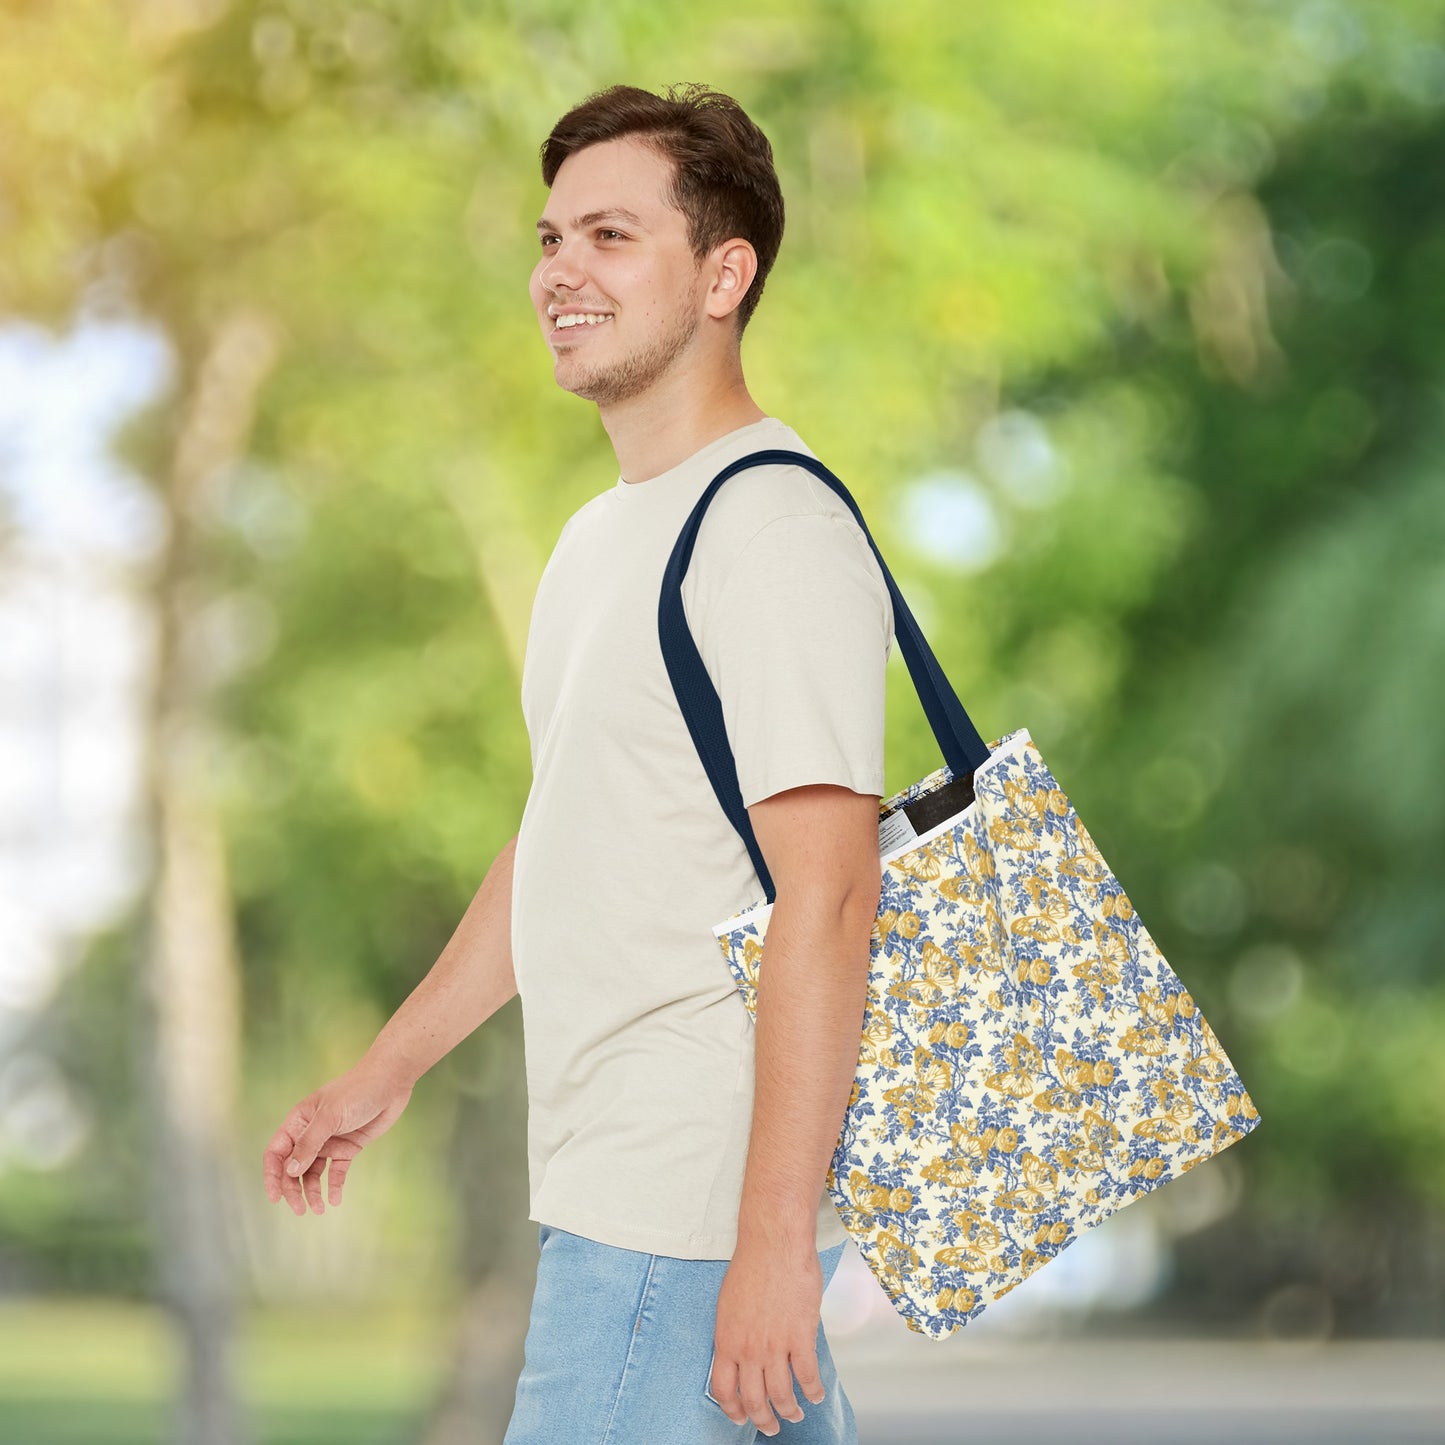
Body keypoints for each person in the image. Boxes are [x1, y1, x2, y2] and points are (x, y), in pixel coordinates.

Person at [261, 81, 894, 1443]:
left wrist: (771, 1246)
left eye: (610, 236)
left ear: (724, 273)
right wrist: (388, 1067)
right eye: (550, 239)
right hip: (629, 1200)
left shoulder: (769, 526)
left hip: (679, 1220)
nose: (559, 273)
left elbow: (830, 894)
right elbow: (566, 843)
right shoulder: (598, 542)